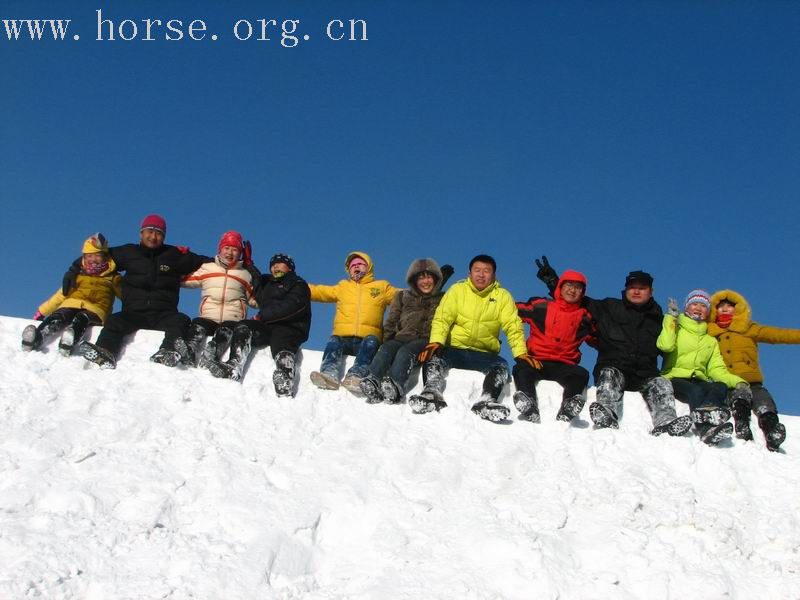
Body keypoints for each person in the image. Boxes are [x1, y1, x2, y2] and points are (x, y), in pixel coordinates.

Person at [535, 259, 691, 436]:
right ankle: (607, 414)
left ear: (651, 291)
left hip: (645, 374)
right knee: (608, 374)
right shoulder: (609, 307)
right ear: (626, 289)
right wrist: (553, 282)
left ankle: (666, 423)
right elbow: (577, 300)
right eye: (633, 287)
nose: (637, 291)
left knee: (661, 383)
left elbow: (673, 346)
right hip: (615, 368)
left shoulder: (659, 320)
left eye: (642, 288)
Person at [75, 214, 211, 368]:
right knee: (114, 321)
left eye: (159, 233)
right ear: (141, 233)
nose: (153, 236)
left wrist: (241, 264)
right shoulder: (127, 252)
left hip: (164, 313)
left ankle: (168, 351)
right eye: (149, 231)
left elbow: (208, 262)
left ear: (164, 236)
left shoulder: (174, 255)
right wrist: (75, 267)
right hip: (133, 312)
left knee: (181, 320)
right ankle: (105, 351)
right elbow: (96, 255)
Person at [409, 254, 528, 422]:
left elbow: (513, 326)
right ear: (469, 273)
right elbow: (443, 317)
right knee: (433, 356)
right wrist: (436, 342)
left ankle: (487, 400)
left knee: (501, 366)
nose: (481, 275)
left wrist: (520, 354)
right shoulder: (458, 290)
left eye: (486, 271)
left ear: (493, 275)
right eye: (477, 270)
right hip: (454, 348)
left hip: (483, 353)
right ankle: (431, 393)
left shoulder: (503, 296)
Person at [207, 253, 311, 396]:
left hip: (291, 326)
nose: (275, 267)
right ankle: (234, 365)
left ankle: (285, 377)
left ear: (290, 268)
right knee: (244, 326)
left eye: (280, 263)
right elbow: (256, 283)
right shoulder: (268, 283)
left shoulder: (298, 283)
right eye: (273, 265)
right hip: (268, 325)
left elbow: (293, 305)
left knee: (282, 341)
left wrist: (263, 316)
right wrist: (248, 264)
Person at [657, 289, 751, 445]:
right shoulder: (677, 327)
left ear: (707, 312)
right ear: (687, 307)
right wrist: (671, 319)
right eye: (694, 304)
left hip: (698, 378)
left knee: (720, 386)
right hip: (675, 377)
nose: (698, 308)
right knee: (696, 390)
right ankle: (704, 428)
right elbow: (665, 346)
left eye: (703, 306)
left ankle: (708, 409)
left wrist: (739, 382)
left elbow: (717, 369)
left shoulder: (710, 340)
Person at [358, 258, 453, 404]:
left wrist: (439, 345)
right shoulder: (402, 296)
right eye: (421, 277)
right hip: (402, 336)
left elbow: (446, 316)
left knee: (405, 352)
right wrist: (386, 339)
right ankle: (374, 379)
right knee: (387, 348)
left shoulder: (443, 298)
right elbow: (392, 320)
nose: (425, 281)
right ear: (413, 280)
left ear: (436, 279)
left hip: (424, 339)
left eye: (429, 277)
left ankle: (396, 384)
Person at [708, 290, 794, 451]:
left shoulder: (748, 329)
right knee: (740, 397)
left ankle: (772, 431)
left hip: (752, 381)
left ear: (738, 309)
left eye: (730, 306)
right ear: (714, 310)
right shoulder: (710, 333)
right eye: (720, 307)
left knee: (764, 401)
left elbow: (779, 335)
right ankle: (742, 425)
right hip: (729, 382)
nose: (725, 309)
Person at [308, 251, 400, 393]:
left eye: (360, 264)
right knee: (334, 341)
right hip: (343, 337)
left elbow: (402, 296)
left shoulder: (381, 287)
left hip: (367, 338)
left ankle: (356, 375)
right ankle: (329, 373)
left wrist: (423, 292)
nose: (356, 267)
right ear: (348, 269)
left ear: (368, 267)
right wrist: (297, 287)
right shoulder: (343, 286)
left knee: (371, 342)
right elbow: (318, 291)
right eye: (353, 265)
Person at [513, 270, 596, 423]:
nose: (572, 290)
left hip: (564, 365)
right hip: (537, 360)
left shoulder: (585, 319)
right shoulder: (540, 306)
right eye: (569, 285)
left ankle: (569, 406)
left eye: (578, 288)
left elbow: (598, 340)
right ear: (560, 287)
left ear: (582, 293)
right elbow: (510, 311)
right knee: (521, 368)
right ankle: (528, 401)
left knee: (581, 374)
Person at [22, 233, 121, 356]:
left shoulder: (113, 277)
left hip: (96, 309)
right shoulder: (77, 275)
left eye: (97, 255)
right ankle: (37, 336)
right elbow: (61, 294)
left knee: (82, 318)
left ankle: (69, 340)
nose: (93, 259)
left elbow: (125, 296)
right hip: (71, 303)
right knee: (59, 316)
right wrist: (42, 311)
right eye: (89, 256)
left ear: (105, 257)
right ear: (84, 257)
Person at [181, 231, 258, 369]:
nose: (230, 253)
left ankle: (213, 352)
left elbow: (255, 299)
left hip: (232, 319)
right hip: (208, 316)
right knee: (197, 323)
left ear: (240, 253)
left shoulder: (245, 275)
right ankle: (190, 350)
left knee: (227, 329)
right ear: (220, 249)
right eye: (226, 248)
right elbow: (185, 281)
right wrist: (177, 262)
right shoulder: (208, 268)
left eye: (235, 249)